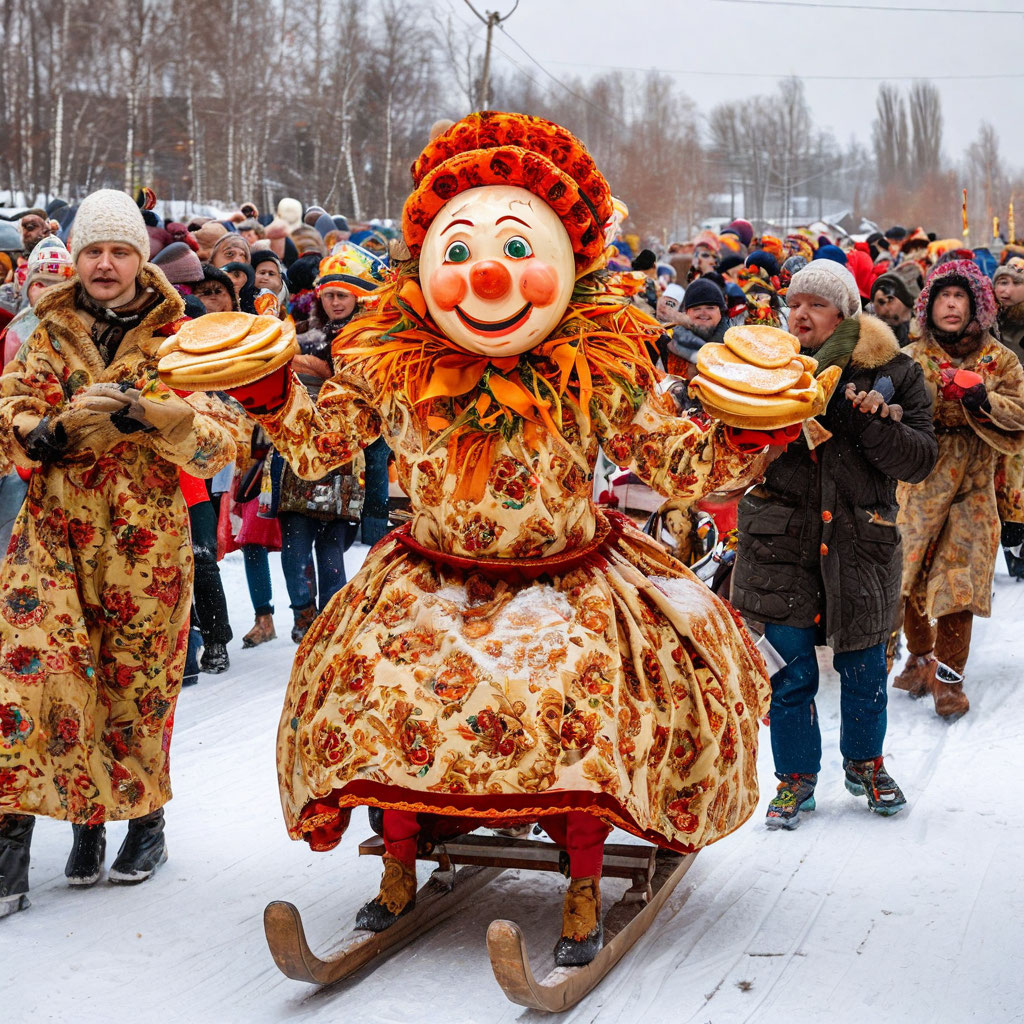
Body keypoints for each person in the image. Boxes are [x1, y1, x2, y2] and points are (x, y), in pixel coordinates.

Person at [175, 112, 778, 966]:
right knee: (373, 686)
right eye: (458, 252)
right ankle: (398, 862)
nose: (486, 275)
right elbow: (319, 446)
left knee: (581, 699)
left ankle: (582, 880)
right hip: (429, 577)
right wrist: (270, 393)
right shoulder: (391, 361)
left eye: (516, 249)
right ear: (425, 261)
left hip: (565, 581)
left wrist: (746, 432)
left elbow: (678, 467)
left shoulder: (602, 362)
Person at [0, 189, 236, 915]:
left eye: (120, 251)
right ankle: (10, 844)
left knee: (133, 685)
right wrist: (36, 432)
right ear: (77, 258)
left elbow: (222, 440)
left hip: (144, 542)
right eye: (93, 251)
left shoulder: (181, 337)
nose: (105, 264)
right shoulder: (49, 330)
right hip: (54, 533)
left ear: (140, 258)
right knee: (29, 676)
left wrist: (163, 420)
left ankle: (138, 823)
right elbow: (12, 402)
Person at [731, 259, 937, 829]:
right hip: (779, 547)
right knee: (790, 673)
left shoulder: (894, 371)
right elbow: (729, 446)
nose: (800, 314)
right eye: (794, 303)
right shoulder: (766, 367)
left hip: (861, 545)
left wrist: (868, 421)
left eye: (816, 304)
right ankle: (795, 778)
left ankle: (865, 764)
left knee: (864, 670)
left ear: (844, 313)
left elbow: (920, 460)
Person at [894, 260, 1024, 719]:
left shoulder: (1000, 359)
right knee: (909, 573)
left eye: (960, 297)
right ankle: (920, 656)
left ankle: (949, 678)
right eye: (943, 297)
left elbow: (1021, 411)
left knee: (960, 577)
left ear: (976, 306)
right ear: (929, 306)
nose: (951, 305)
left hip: (975, 480)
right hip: (919, 480)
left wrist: (983, 399)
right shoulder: (909, 357)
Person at [665, 277, 730, 378]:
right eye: (696, 309)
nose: (703, 313)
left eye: (710, 308)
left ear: (720, 312)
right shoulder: (667, 342)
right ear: (686, 313)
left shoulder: (735, 345)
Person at [869, 271, 920, 346]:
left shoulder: (921, 334)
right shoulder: (870, 336)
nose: (884, 310)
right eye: (880, 303)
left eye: (890, 300)